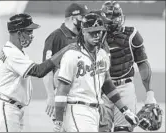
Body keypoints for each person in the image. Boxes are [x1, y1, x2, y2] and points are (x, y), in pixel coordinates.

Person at [0, 13, 78, 132]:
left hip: (9, 105)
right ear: (19, 33)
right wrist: (64, 50)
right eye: (28, 32)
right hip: (6, 105)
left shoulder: (14, 51)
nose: (31, 35)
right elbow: (38, 71)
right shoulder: (13, 54)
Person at [53, 12, 139, 132]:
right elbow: (62, 89)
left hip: (95, 112)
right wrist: (58, 121)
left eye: (99, 31)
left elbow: (108, 85)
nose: (96, 35)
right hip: (77, 110)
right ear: (83, 32)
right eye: (92, 32)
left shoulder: (102, 55)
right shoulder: (72, 56)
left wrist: (125, 110)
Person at [98, 1, 158, 132]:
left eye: (118, 15)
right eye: (112, 16)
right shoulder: (95, 36)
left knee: (123, 130)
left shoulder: (131, 34)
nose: (117, 19)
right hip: (102, 89)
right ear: (104, 17)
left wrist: (149, 93)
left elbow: (143, 63)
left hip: (125, 88)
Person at [42, 2, 88, 119]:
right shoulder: (55, 37)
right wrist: (51, 96)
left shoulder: (84, 36)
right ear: (73, 18)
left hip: (81, 96)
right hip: (62, 95)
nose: (85, 21)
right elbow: (46, 70)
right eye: (82, 17)